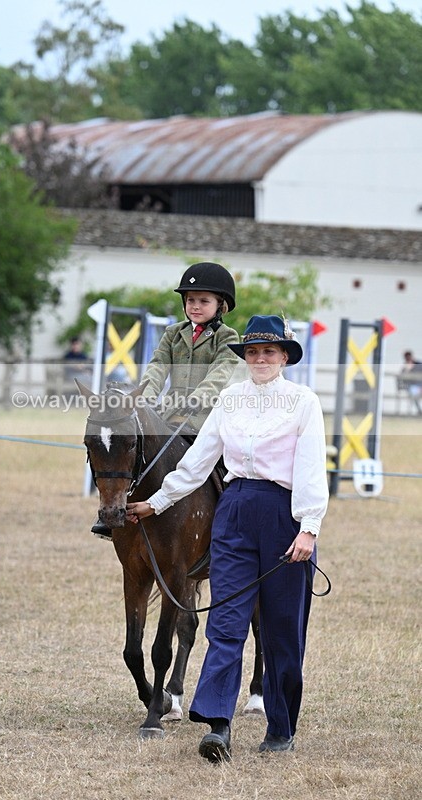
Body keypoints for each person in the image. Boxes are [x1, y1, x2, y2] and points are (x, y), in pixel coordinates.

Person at [126, 314, 329, 762]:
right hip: (234, 511)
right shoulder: (231, 399)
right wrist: (156, 502)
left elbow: (312, 467)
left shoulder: (303, 402)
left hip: (283, 513)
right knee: (225, 623)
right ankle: (218, 725)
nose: (260, 359)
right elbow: (198, 461)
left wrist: (309, 527)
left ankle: (281, 727)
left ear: (284, 357)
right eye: (253, 352)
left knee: (281, 629)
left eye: (269, 351)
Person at [91, 262, 241, 540]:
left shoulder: (227, 337)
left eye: (204, 301)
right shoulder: (173, 334)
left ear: (221, 305)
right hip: (168, 415)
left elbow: (220, 374)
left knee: (226, 466)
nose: (195, 306)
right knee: (132, 452)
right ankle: (113, 513)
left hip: (206, 417)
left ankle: (230, 522)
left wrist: (198, 398)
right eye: (191, 300)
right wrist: (144, 399)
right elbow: (157, 367)